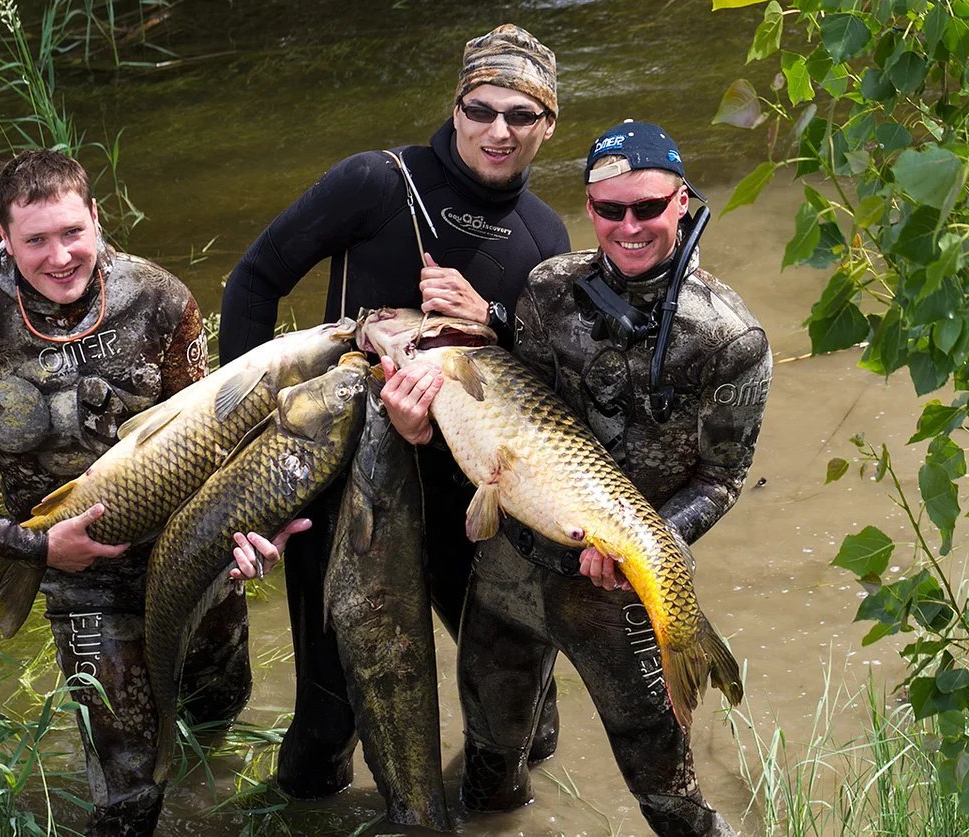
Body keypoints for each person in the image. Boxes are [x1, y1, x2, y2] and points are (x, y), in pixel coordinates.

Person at [219, 24, 570, 800]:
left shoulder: (545, 234)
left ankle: (494, 813)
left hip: (464, 489)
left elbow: (545, 377)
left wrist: (495, 317)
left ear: (549, 125)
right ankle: (301, 812)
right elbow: (251, 283)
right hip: (349, 486)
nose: (497, 130)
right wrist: (249, 443)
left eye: (521, 114)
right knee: (328, 721)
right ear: (455, 108)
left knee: (527, 713)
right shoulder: (378, 183)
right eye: (481, 109)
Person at [0, 150, 261, 835]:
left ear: (96, 216)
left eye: (72, 232)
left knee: (220, 702)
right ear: (4, 237)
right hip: (78, 575)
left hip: (188, 546)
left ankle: (204, 807)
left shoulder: (161, 301)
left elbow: (216, 439)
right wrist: (35, 544)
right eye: (35, 239)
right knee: (126, 790)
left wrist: (244, 527)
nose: (59, 255)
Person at [436, 121, 770, 835]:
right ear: (589, 206)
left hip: (615, 590)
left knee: (672, 802)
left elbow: (719, 481)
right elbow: (515, 399)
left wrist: (637, 547)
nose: (628, 225)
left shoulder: (730, 338)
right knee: (489, 774)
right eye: (609, 208)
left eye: (647, 207)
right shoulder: (547, 287)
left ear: (681, 200)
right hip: (511, 565)